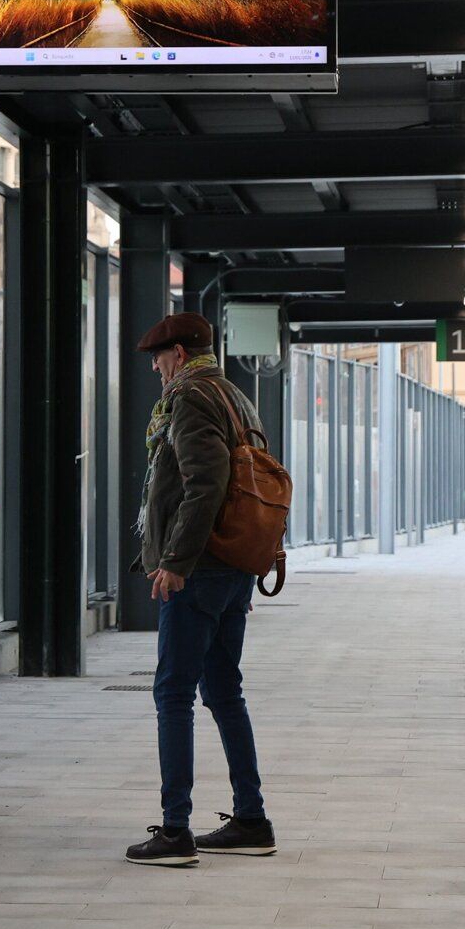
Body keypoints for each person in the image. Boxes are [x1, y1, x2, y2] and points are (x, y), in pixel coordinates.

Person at [125, 312, 277, 868]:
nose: (156, 369)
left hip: (202, 568)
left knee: (173, 695)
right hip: (233, 566)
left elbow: (205, 484)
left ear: (180, 355)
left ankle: (174, 831)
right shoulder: (234, 394)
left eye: (159, 359)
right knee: (222, 691)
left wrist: (175, 561)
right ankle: (251, 820)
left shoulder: (190, 399)